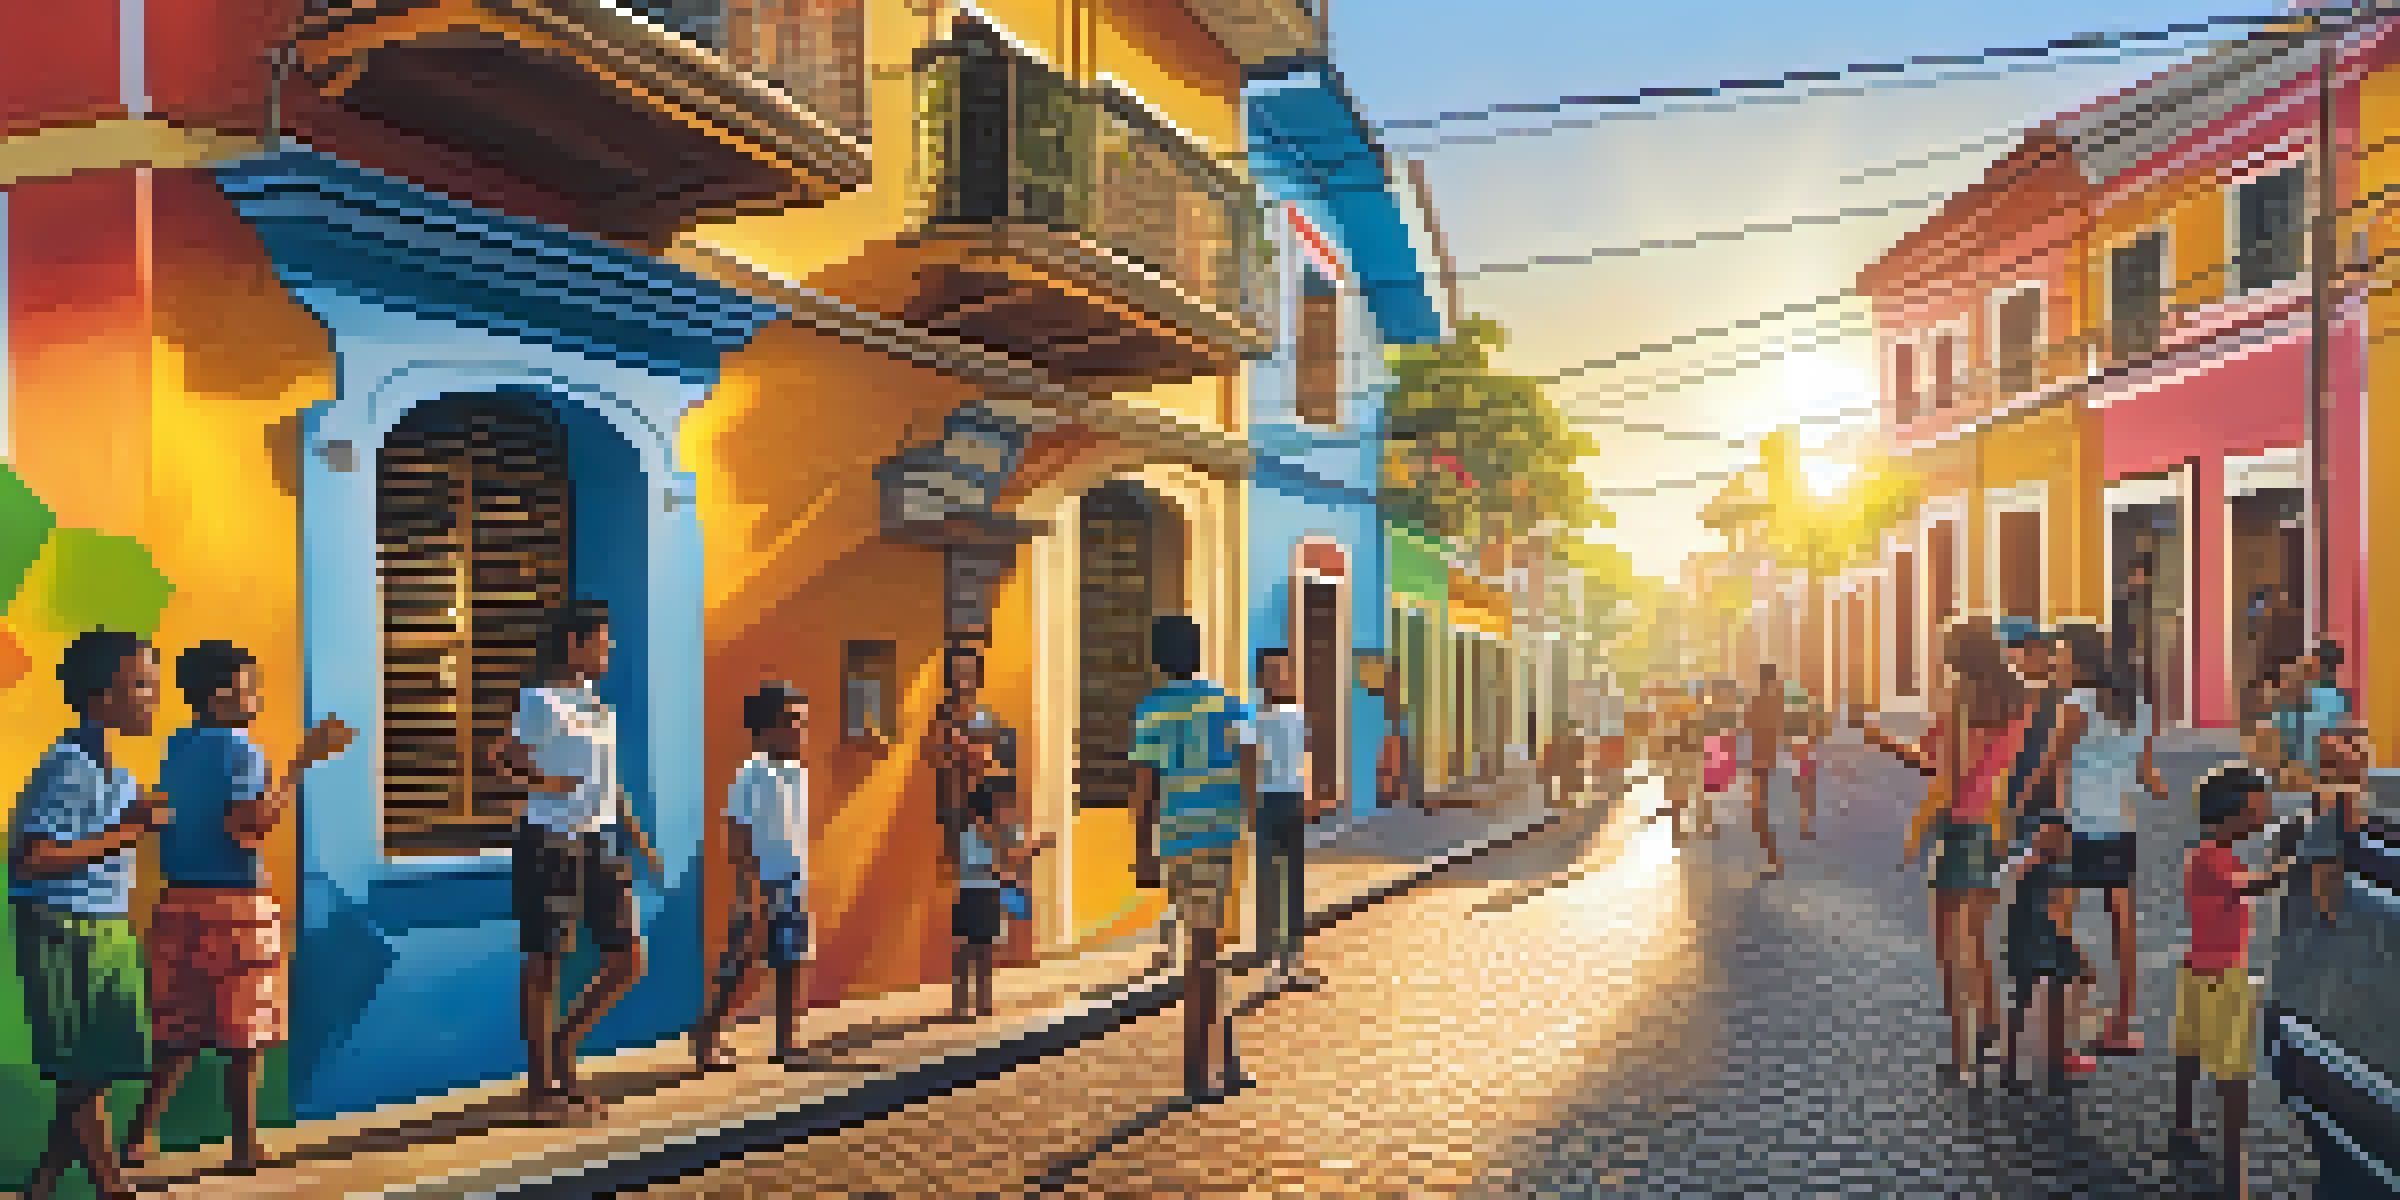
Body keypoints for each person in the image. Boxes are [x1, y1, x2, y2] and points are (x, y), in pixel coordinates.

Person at [123, 642, 353, 1171]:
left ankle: (139, 1137)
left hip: (177, 901)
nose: (257, 696)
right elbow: (250, 826)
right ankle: (244, 1147)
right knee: (246, 1033)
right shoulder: (241, 749)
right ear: (223, 691)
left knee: (177, 1029)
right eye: (250, 684)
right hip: (236, 903)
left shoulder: (177, 745)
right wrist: (297, 765)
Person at [9, 631, 172, 1200]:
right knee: (82, 1062)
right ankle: (109, 1184)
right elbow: (32, 857)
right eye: (142, 686)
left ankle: (45, 1184)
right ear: (102, 697)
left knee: (95, 1063)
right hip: (60, 924)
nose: (154, 696)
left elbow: (101, 836)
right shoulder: (68, 765)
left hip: (104, 921)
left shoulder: (114, 771)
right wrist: (127, 831)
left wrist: (132, 820)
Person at [485, 599, 661, 1123]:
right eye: (602, 640)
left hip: (601, 843)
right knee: (546, 966)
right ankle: (541, 1088)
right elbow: (500, 758)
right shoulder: (540, 702)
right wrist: (545, 783)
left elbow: (610, 777)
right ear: (574, 645)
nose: (609, 648)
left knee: (629, 959)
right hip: (550, 842)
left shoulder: (595, 703)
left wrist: (634, 833)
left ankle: (564, 1045)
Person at [1862, 616, 2027, 1086]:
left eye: (1945, 648)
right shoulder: (2019, 701)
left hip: (1957, 830)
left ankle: (1961, 1055)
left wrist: (1881, 744)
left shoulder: (1959, 700)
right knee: (1978, 942)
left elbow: (1945, 773)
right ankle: (1995, 1033)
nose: (1940, 655)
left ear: (1961, 654)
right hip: (1994, 830)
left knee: (1949, 951)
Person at [1130, 614, 1258, 1100]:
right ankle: (1202, 1073)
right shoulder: (1230, 705)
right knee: (1207, 954)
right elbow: (1250, 766)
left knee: (1205, 953)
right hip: (1224, 838)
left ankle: (1216, 1066)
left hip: (1180, 840)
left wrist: (1143, 851)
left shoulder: (1151, 713)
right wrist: (1248, 822)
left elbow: (1145, 790)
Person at [2172, 767, 2297, 1199]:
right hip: (2223, 975)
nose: (2262, 816)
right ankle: (2235, 1171)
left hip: (2193, 969)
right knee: (2233, 1076)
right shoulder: (2214, 858)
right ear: (2234, 812)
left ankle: (2183, 1123)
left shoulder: (2208, 853)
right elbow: (2257, 884)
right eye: (2257, 809)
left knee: (2187, 1052)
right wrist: (2291, 859)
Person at [691, 683, 813, 1072]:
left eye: (803, 722)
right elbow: (737, 831)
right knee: (741, 963)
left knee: (790, 962)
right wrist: (751, 887)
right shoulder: (753, 773)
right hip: (763, 885)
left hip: (793, 883)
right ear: (768, 728)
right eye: (792, 721)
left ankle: (785, 1042)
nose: (800, 730)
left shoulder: (797, 772)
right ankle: (707, 1036)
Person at [2048, 624, 2157, 1058]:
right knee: (2122, 924)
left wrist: (2057, 818)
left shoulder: (2075, 704)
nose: (2055, 663)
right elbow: (2147, 775)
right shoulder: (2138, 709)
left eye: (2060, 654)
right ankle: (2122, 1024)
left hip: (2079, 824)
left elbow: (2057, 765)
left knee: (2057, 919)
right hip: (2121, 825)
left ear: (2081, 659)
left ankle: (2075, 1002)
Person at [1995, 811, 2094, 1089]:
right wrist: (2078, 954)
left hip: (2020, 942)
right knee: (2053, 1006)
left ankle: (2010, 1067)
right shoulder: (2056, 872)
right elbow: (2059, 915)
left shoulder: (2026, 865)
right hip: (2048, 944)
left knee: (2021, 1002)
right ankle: (2054, 1069)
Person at [1252, 649, 1322, 992]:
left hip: (1292, 802)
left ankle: (1290, 960)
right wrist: (1248, 805)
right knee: (1268, 880)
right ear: (1259, 678)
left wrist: (1309, 797)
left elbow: (1305, 756)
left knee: (1292, 882)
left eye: (1284, 671)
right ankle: (1270, 957)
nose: (1279, 678)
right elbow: (1245, 764)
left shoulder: (1298, 715)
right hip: (1265, 802)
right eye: (1271, 671)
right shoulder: (1251, 718)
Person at [1742, 664, 1788, 878]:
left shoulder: (1758, 701)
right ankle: (1775, 859)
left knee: (1760, 814)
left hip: (1761, 762)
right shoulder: (1779, 702)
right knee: (1771, 811)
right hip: (1775, 761)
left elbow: (1747, 725)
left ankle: (1773, 859)